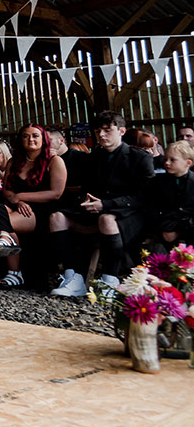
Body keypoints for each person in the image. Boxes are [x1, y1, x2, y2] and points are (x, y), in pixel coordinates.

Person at [49, 110, 154, 298]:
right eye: (98, 131)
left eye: (107, 130)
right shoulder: (95, 156)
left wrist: (106, 204)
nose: (101, 135)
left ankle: (110, 280)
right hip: (97, 208)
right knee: (57, 217)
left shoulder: (139, 157)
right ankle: (74, 277)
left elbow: (144, 196)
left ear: (122, 131)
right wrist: (86, 201)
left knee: (106, 219)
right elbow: (86, 186)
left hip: (130, 213)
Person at [0, 124, 66, 289]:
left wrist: (21, 196)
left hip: (40, 209)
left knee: (2, 223)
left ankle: (14, 273)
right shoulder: (14, 162)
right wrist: (17, 201)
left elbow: (56, 193)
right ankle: (5, 239)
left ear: (43, 139)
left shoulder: (54, 161)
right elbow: (7, 190)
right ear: (20, 140)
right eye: (26, 136)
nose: (31, 139)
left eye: (35, 135)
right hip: (16, 205)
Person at [151, 141, 194, 249]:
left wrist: (181, 228)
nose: (166, 163)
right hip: (167, 224)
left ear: (188, 163)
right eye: (165, 159)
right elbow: (153, 206)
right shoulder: (158, 182)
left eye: (172, 160)